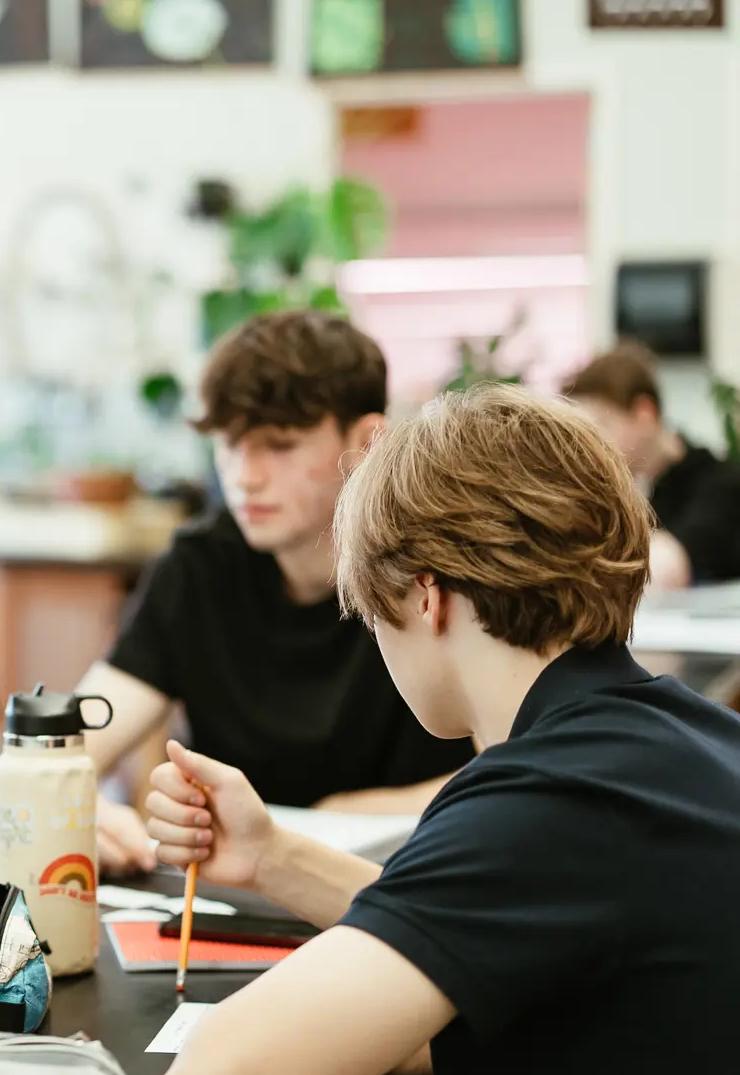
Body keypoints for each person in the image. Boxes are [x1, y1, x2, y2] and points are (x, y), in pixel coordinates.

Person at [149, 384, 740, 1074]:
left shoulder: (548, 796)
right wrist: (271, 857)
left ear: (427, 597)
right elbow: (477, 936)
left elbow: (223, 1062)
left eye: (374, 616)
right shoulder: (688, 740)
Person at [76, 311, 472, 874]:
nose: (244, 477)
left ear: (367, 440)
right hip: (232, 895)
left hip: (412, 882)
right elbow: (64, 746)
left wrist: (363, 811)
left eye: (279, 445)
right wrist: (75, 806)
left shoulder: (440, 571)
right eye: (229, 445)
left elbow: (529, 768)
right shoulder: (199, 567)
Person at [565, 342, 740, 587]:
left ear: (644, 414)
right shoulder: (646, 491)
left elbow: (663, 570)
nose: (592, 446)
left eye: (601, 426)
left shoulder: (719, 486)